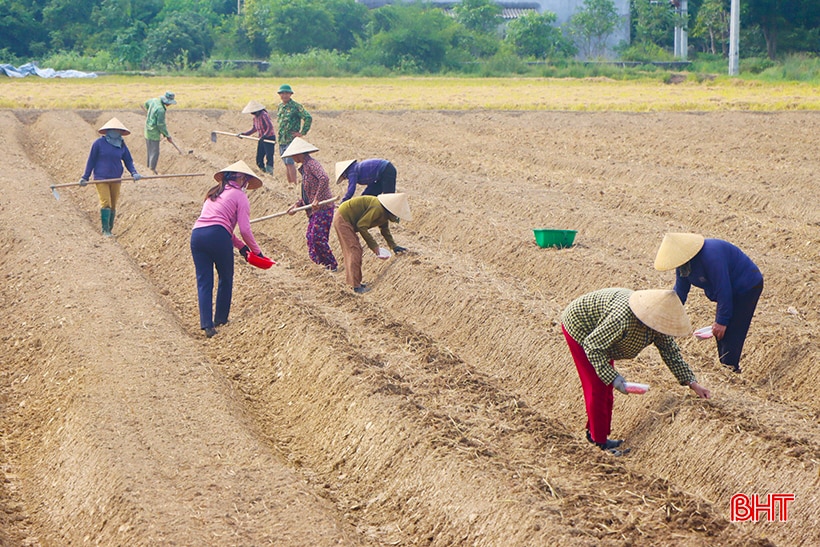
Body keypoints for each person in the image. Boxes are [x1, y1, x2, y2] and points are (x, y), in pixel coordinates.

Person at [560, 288, 711, 456]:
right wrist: (615, 379)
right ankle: (599, 443)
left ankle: (595, 434)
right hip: (581, 329)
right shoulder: (622, 318)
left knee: (605, 387)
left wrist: (693, 383)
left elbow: (671, 354)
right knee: (597, 386)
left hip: (601, 338)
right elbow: (593, 346)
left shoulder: (657, 325)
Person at [654, 233, 764, 374]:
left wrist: (721, 321)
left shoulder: (711, 257)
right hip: (727, 290)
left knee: (732, 329)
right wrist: (666, 317)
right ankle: (726, 366)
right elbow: (680, 292)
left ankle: (730, 370)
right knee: (721, 332)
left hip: (747, 285)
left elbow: (723, 290)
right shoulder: (683, 265)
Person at [190, 160, 266, 338]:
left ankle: (207, 325)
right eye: (245, 180)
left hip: (197, 236)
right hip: (218, 237)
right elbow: (244, 229)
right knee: (225, 276)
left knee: (204, 280)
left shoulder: (214, 193)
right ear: (241, 179)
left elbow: (215, 223)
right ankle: (221, 319)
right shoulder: (240, 196)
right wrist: (256, 252)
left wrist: (240, 247)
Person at [332, 193, 410, 294]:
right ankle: (355, 286)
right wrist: (375, 247)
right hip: (343, 219)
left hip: (345, 218)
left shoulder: (384, 212)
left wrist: (393, 246)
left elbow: (385, 230)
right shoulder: (378, 208)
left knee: (355, 251)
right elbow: (361, 225)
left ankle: (355, 282)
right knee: (354, 250)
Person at [79, 117, 142, 236]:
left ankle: (110, 228)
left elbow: (128, 160)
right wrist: (85, 177)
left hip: (116, 178)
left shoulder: (121, 144)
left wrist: (134, 172)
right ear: (108, 131)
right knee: (106, 202)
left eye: (118, 130)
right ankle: (105, 230)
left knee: (113, 203)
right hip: (101, 177)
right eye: (113, 130)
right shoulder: (98, 144)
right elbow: (91, 161)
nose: (116, 132)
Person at [282, 137, 338, 272]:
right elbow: (308, 194)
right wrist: (296, 206)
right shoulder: (304, 168)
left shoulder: (312, 164)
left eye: (293, 155)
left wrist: (317, 199)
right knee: (310, 237)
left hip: (323, 208)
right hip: (314, 210)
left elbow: (324, 178)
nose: (293, 159)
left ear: (299, 154)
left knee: (317, 237)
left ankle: (331, 265)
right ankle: (318, 265)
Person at [276, 84, 312, 186]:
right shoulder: (280, 107)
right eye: (282, 93)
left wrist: (302, 132)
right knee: (286, 163)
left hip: (291, 140)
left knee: (290, 162)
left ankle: (294, 184)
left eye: (287, 93)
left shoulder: (296, 107)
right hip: (282, 139)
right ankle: (289, 184)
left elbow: (308, 117)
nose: (284, 95)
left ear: (291, 94)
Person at [143, 91, 176, 174]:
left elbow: (146, 103)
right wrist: (167, 135)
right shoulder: (161, 110)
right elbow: (161, 125)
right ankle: (151, 169)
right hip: (154, 133)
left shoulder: (154, 101)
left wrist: (150, 114)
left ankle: (148, 168)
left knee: (150, 151)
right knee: (155, 152)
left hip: (147, 129)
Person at [239, 100, 276, 174]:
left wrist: (265, 135)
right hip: (261, 138)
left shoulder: (264, 115)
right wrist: (244, 134)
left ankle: (270, 173)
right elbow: (254, 128)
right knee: (259, 158)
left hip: (269, 138)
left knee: (269, 156)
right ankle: (264, 172)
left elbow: (270, 126)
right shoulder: (255, 118)